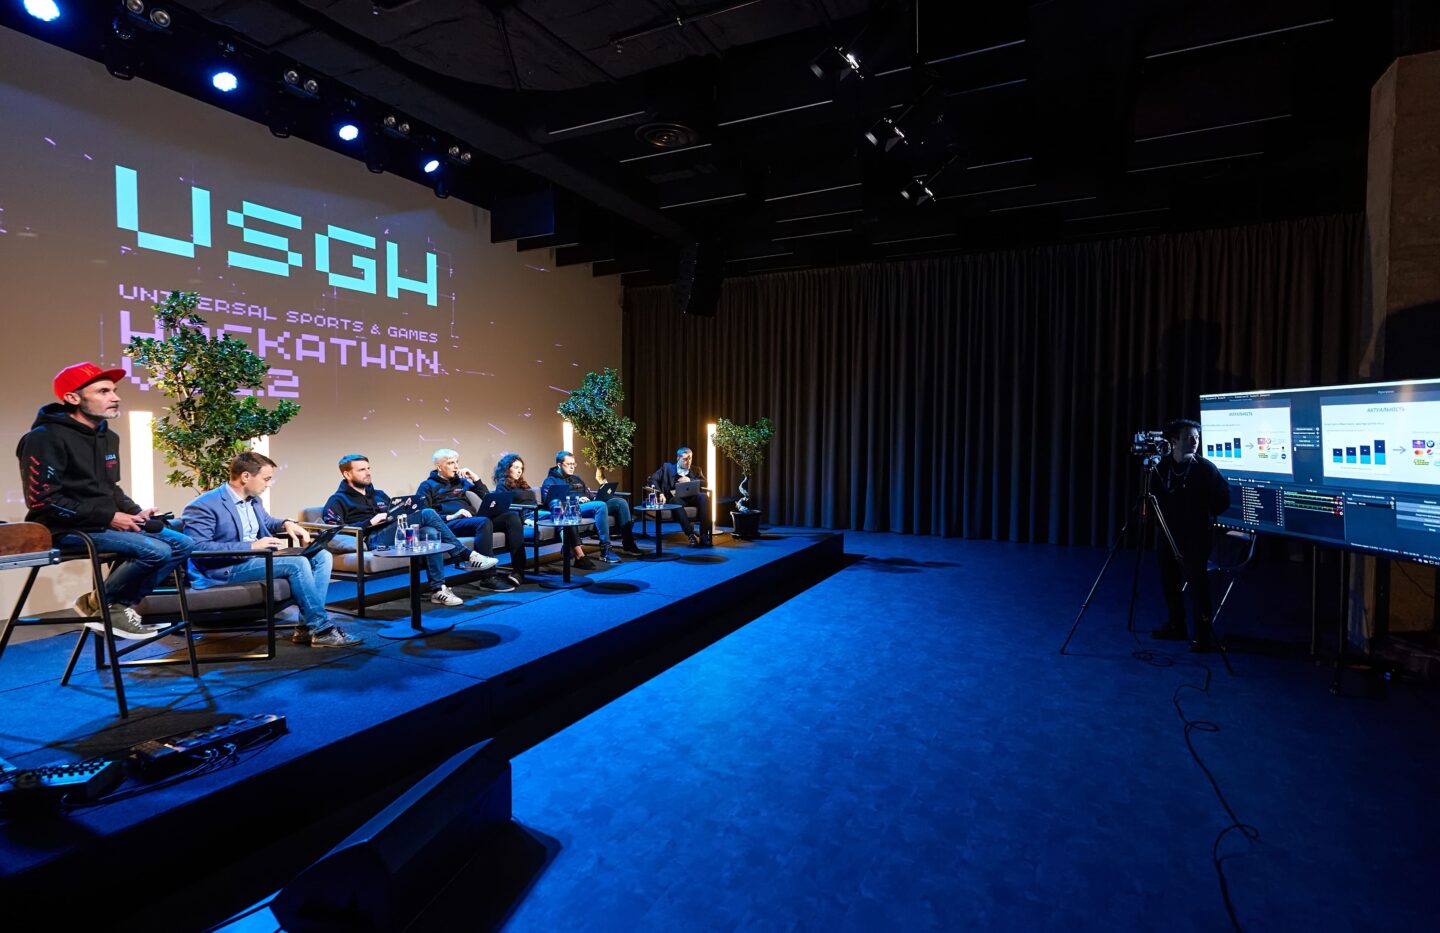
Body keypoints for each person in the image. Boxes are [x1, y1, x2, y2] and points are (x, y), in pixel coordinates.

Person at [17, 362, 194, 639]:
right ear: (72, 398)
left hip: (101, 524)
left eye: (114, 390)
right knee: (155, 550)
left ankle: (103, 602)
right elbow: (43, 501)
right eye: (103, 391)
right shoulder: (43, 438)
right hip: (62, 528)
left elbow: (111, 489)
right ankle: (111, 607)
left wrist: (135, 512)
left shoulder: (108, 437)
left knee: (183, 543)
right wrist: (109, 517)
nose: (115, 397)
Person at [182, 451, 362, 647]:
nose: (268, 484)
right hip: (221, 570)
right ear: (245, 476)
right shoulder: (204, 505)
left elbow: (267, 521)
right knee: (297, 563)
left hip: (253, 560)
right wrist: (251, 546)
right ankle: (322, 629)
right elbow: (197, 548)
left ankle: (305, 628)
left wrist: (286, 523)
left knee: (322, 556)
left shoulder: (253, 500)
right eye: (266, 479)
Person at [322, 454, 497, 608]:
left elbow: (396, 513)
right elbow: (334, 529)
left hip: (396, 532)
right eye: (361, 470)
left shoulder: (379, 494)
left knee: (430, 532)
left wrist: (404, 510)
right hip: (373, 539)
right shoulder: (338, 500)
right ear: (347, 474)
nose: (367, 472)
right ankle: (467, 555)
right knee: (428, 513)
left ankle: (438, 589)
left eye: (368, 468)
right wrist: (369, 522)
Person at [1150, 418, 1231, 652]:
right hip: (1168, 534)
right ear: (1174, 441)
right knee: (1169, 581)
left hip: (1196, 536)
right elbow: (1153, 498)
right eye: (1188, 437)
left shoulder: (1206, 469)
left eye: (1196, 437)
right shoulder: (1161, 467)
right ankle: (1176, 626)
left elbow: (1223, 499)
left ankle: (1202, 636)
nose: (1195, 441)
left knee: (1198, 584)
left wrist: (1204, 511)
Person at [415, 448, 521, 590]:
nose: (456, 466)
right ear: (439, 467)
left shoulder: (461, 482)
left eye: (457, 462)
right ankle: (488, 578)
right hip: (448, 524)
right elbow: (424, 514)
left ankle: (519, 570)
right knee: (483, 522)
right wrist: (452, 515)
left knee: (511, 517)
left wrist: (475, 478)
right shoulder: (427, 486)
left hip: (470, 521)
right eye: (451, 463)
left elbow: (487, 497)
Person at [542, 451, 642, 562]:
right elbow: (551, 502)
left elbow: (588, 494)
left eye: (574, 464)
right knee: (600, 505)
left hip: (588, 505)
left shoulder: (576, 478)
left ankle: (628, 543)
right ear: (559, 465)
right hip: (573, 509)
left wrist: (597, 496)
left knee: (620, 502)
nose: (572, 467)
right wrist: (577, 500)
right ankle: (605, 549)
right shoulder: (550, 481)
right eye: (569, 464)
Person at [648, 446, 712, 547]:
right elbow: (652, 479)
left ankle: (704, 535)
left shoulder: (696, 469)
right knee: (676, 501)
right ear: (678, 458)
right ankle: (690, 534)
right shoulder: (667, 467)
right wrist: (660, 493)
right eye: (685, 459)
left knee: (704, 497)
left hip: (692, 497)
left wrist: (690, 480)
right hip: (676, 498)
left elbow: (705, 483)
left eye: (690, 458)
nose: (688, 462)